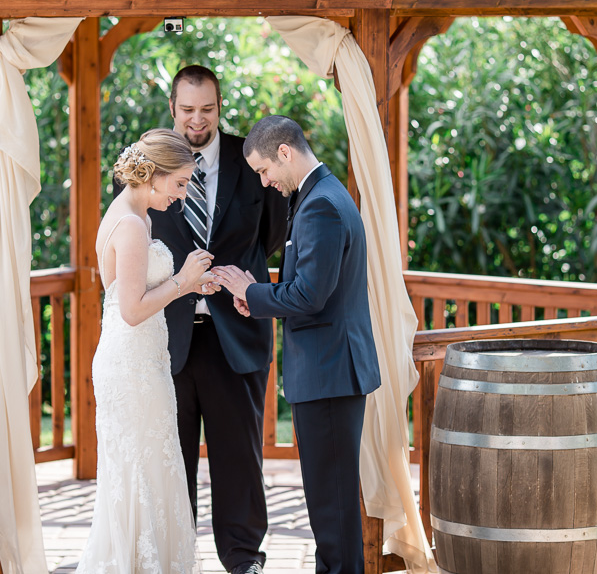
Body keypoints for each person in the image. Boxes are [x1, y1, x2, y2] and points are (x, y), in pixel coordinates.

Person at [213, 115, 382, 574]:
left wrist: (250, 292)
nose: (265, 182)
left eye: (265, 170)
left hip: (329, 372)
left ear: (284, 153)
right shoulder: (319, 195)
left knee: (333, 504)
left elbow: (309, 294)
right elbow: (307, 286)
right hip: (329, 370)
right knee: (332, 498)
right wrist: (259, 298)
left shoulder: (320, 206)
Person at [148, 66, 288, 574]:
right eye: (187, 110)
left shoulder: (249, 160)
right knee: (172, 456)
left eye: (207, 109)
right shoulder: (153, 162)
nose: (197, 120)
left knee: (239, 457)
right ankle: (175, 556)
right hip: (169, 338)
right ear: (172, 107)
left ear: (220, 104)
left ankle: (243, 558)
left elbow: (273, 231)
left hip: (238, 330)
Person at [77, 128, 216, 573]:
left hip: (142, 358)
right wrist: (184, 283)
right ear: (153, 176)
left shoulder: (134, 215)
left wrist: (192, 284)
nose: (182, 194)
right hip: (132, 364)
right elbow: (133, 310)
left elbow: (128, 292)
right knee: (139, 470)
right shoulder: (133, 225)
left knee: (149, 468)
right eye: (179, 183)